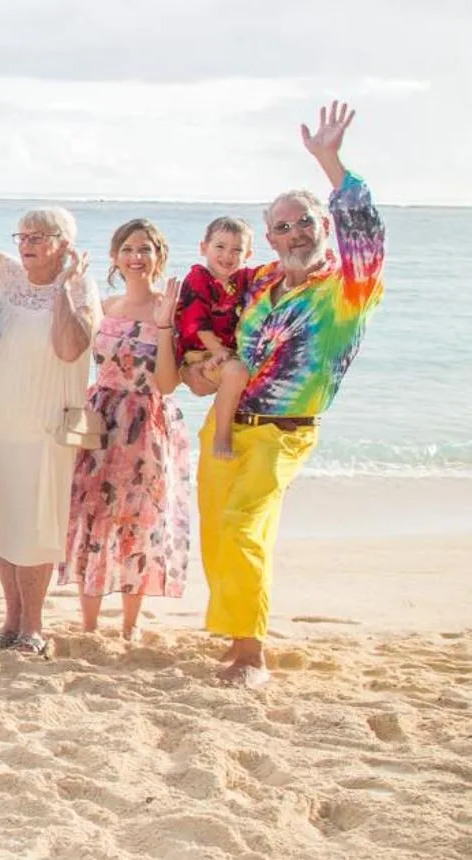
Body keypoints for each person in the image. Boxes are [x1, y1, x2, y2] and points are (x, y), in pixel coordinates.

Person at [197, 101, 383, 688]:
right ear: (269, 237)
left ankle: (253, 653)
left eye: (303, 221)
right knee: (216, 531)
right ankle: (236, 635)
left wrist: (331, 165)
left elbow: (366, 241)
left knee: (244, 526)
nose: (294, 232)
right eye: (281, 226)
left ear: (322, 225)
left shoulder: (346, 291)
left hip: (281, 434)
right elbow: (216, 324)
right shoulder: (261, 285)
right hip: (225, 424)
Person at [0, 147, 101, 656]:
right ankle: (10, 620)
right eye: (23, 237)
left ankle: (34, 625)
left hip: (48, 426)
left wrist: (65, 289)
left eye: (38, 238)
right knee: (5, 524)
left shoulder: (80, 287)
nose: (26, 245)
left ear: (63, 245)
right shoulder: (4, 275)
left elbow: (69, 348)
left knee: (36, 528)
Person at [62, 220, 194, 639]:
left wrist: (167, 324)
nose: (137, 256)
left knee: (137, 520)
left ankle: (129, 626)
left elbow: (170, 383)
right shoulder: (108, 307)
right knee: (91, 514)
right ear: (116, 257)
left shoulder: (167, 307)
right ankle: (87, 624)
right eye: (129, 249)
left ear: (159, 256)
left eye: (146, 249)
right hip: (101, 418)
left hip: (146, 423)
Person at [176, 218, 256, 460]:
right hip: (198, 352)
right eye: (219, 247)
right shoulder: (198, 277)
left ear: (248, 254)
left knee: (243, 372)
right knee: (236, 372)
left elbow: (277, 273)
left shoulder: (244, 279)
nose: (227, 256)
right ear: (204, 248)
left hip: (223, 353)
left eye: (237, 250)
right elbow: (195, 323)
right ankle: (221, 437)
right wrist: (219, 351)